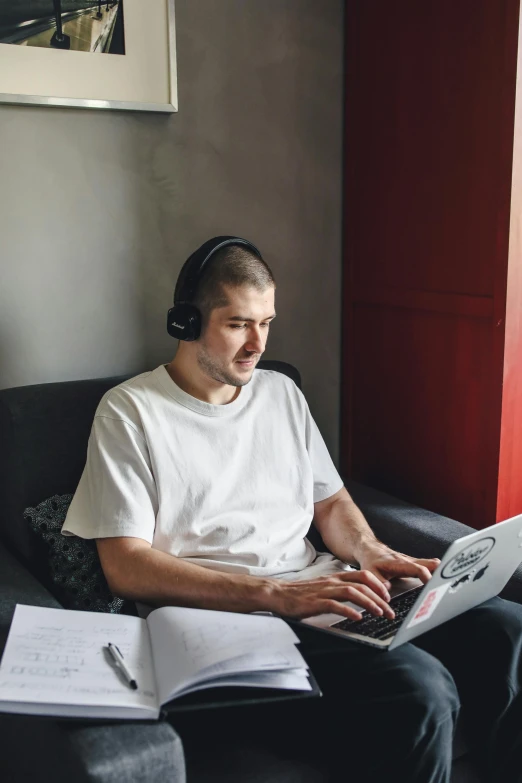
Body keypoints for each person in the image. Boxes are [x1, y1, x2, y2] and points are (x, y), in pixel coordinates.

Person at [62, 236, 522, 783]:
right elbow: (126, 565)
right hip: (226, 622)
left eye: (267, 322)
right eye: (238, 324)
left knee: (506, 629)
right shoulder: (130, 411)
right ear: (187, 323)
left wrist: (371, 552)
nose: (257, 343)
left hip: (321, 594)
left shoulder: (280, 392)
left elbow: (329, 500)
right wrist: (277, 594)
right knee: (421, 689)